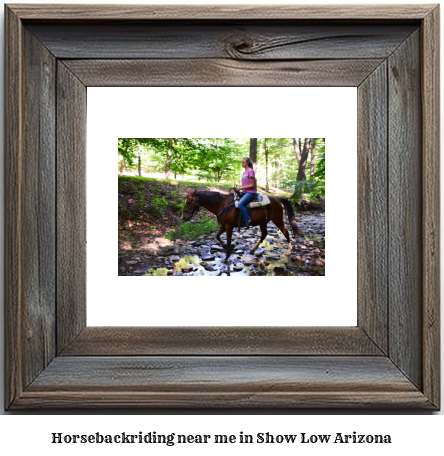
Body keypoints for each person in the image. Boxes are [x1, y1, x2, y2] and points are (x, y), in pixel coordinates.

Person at [234, 157, 256, 228]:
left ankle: (248, 221)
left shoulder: (250, 171)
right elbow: (245, 184)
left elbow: (252, 185)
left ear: (247, 163)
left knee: (240, 204)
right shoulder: (244, 172)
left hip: (250, 192)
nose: (242, 164)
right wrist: (238, 189)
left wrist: (240, 188)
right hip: (244, 192)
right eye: (241, 162)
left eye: (243, 162)